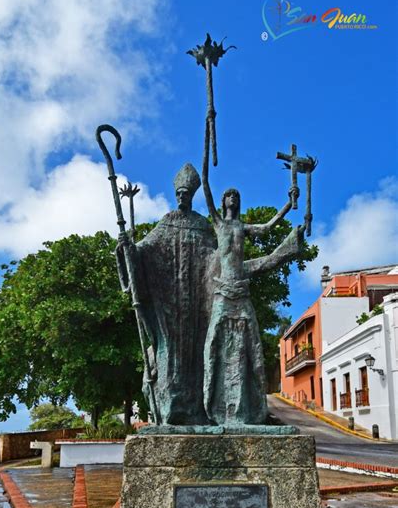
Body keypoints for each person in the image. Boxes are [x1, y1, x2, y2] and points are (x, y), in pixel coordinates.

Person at [116, 163, 217, 426]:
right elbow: (147, 249)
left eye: (186, 193)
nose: (183, 197)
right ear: (175, 195)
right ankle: (171, 408)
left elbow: (214, 261)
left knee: (199, 353)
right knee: (169, 352)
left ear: (192, 194)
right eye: (179, 193)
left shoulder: (202, 225)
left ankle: (198, 409)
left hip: (197, 306)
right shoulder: (167, 222)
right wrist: (129, 250)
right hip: (170, 305)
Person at [202, 178, 306, 426]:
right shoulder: (218, 223)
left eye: (236, 196)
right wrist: (208, 141)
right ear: (223, 201)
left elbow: (268, 227)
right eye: (229, 196)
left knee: (254, 346)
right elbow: (206, 187)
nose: (233, 199)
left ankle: (256, 407)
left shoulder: (242, 227)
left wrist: (289, 204)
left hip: (241, 292)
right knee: (212, 342)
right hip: (222, 291)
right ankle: (209, 402)